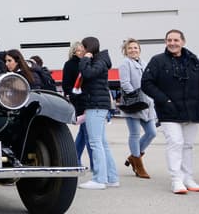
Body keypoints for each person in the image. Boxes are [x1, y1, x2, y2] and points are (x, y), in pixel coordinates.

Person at [141, 29, 199, 194]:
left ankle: (188, 178)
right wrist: (164, 100)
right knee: (176, 143)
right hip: (169, 111)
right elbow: (146, 83)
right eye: (169, 40)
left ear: (183, 42)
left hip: (192, 111)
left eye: (176, 40)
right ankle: (176, 180)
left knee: (188, 145)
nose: (172, 43)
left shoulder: (194, 61)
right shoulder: (158, 61)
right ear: (166, 42)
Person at [77, 36, 119, 190]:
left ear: (88, 47)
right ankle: (112, 177)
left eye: (82, 47)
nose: (81, 50)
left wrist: (85, 59)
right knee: (102, 143)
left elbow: (87, 74)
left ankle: (99, 179)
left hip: (95, 104)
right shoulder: (101, 60)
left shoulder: (98, 61)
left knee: (95, 143)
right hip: (98, 104)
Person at [118, 38, 157, 179]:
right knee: (134, 134)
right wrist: (136, 96)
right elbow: (125, 83)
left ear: (139, 50)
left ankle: (133, 157)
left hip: (147, 104)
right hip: (133, 104)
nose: (133, 50)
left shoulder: (144, 63)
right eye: (130, 48)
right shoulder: (125, 63)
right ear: (125, 51)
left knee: (152, 132)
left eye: (135, 48)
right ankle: (138, 166)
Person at [62, 41, 90, 166]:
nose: (81, 52)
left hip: (87, 100)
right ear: (74, 52)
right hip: (79, 101)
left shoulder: (87, 63)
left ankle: (74, 159)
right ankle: (93, 164)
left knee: (84, 133)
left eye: (83, 50)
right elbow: (66, 85)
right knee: (88, 134)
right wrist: (76, 95)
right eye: (79, 50)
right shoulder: (70, 65)